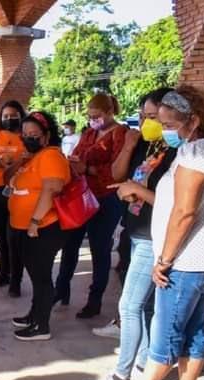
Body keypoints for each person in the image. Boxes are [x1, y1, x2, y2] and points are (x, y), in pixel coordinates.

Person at [100, 85, 204, 380]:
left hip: (186, 260)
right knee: (194, 331)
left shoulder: (195, 154)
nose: (165, 131)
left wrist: (165, 259)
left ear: (194, 120)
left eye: (170, 124)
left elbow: (184, 212)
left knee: (166, 332)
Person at [84, 87, 176, 380]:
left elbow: (177, 203)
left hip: (154, 235)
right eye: (143, 116)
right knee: (144, 306)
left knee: (130, 305)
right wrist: (129, 145)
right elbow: (117, 173)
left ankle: (121, 376)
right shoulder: (145, 145)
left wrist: (137, 190)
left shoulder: (178, 152)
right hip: (135, 230)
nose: (146, 122)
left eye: (153, 117)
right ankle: (140, 364)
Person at [54, 93, 127, 318]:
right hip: (82, 194)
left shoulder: (120, 133)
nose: (93, 120)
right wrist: (74, 163)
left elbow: (118, 169)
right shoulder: (89, 133)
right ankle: (60, 289)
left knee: (99, 249)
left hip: (107, 197)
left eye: (96, 116)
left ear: (109, 112)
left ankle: (94, 299)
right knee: (70, 243)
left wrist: (88, 169)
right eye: (90, 116)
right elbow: (77, 155)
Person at [7, 111, 70, 341]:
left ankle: (41, 326)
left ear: (46, 136)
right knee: (35, 275)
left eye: (34, 134)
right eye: (24, 134)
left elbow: (52, 188)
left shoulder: (51, 156)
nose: (28, 138)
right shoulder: (33, 158)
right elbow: (8, 180)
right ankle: (34, 314)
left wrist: (34, 222)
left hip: (43, 227)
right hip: (25, 227)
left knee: (42, 277)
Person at [0, 100, 27, 297]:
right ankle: (4, 272)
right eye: (6, 116)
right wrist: (0, 161)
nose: (9, 119)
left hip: (19, 190)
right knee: (1, 236)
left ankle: (16, 279)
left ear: (21, 116)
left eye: (14, 116)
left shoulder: (26, 135)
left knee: (14, 237)